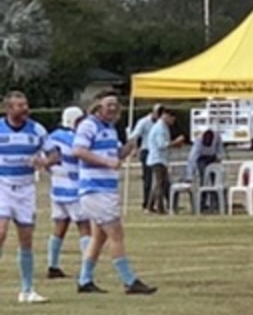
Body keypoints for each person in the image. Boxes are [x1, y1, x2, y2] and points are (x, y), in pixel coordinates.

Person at [72, 92, 157, 295]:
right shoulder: (89, 125)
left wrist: (129, 146)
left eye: (116, 104)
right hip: (95, 188)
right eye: (109, 104)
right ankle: (129, 280)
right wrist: (107, 162)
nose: (113, 107)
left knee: (99, 237)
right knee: (116, 234)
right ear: (97, 106)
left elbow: (117, 154)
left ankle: (85, 280)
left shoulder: (109, 129)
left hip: (105, 189)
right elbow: (79, 151)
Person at [0, 90, 57, 303]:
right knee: (1, 232)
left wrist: (45, 162)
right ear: (8, 109)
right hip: (2, 186)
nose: (25, 109)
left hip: (25, 189)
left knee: (26, 239)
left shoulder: (37, 129)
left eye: (26, 105)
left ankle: (27, 290)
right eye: (19, 106)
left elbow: (54, 154)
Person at [47, 106, 92, 280]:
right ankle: (87, 268)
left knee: (59, 226)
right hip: (74, 188)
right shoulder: (74, 139)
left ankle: (53, 264)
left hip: (57, 187)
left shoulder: (53, 136)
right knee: (84, 227)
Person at [144, 107, 184, 214]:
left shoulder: (163, 127)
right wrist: (175, 142)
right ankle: (160, 208)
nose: (173, 122)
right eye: (172, 119)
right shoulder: (160, 128)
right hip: (158, 159)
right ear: (166, 116)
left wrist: (175, 144)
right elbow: (162, 145)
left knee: (161, 184)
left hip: (161, 159)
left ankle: (150, 206)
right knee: (160, 184)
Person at [129, 104, 162, 211]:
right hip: (146, 151)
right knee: (148, 179)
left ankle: (158, 203)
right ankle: (146, 203)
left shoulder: (160, 124)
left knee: (160, 179)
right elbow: (135, 135)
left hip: (157, 151)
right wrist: (135, 148)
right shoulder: (144, 122)